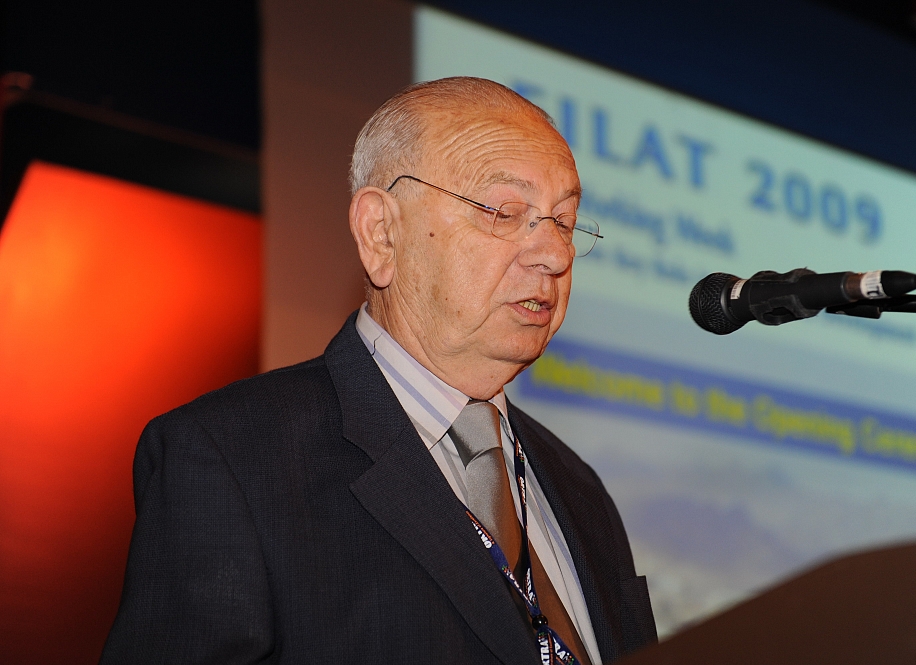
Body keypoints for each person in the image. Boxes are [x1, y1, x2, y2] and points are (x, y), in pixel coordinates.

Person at [101, 77, 656, 665]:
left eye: (564, 221)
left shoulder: (579, 489)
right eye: (504, 211)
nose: (555, 254)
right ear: (381, 233)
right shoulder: (233, 459)